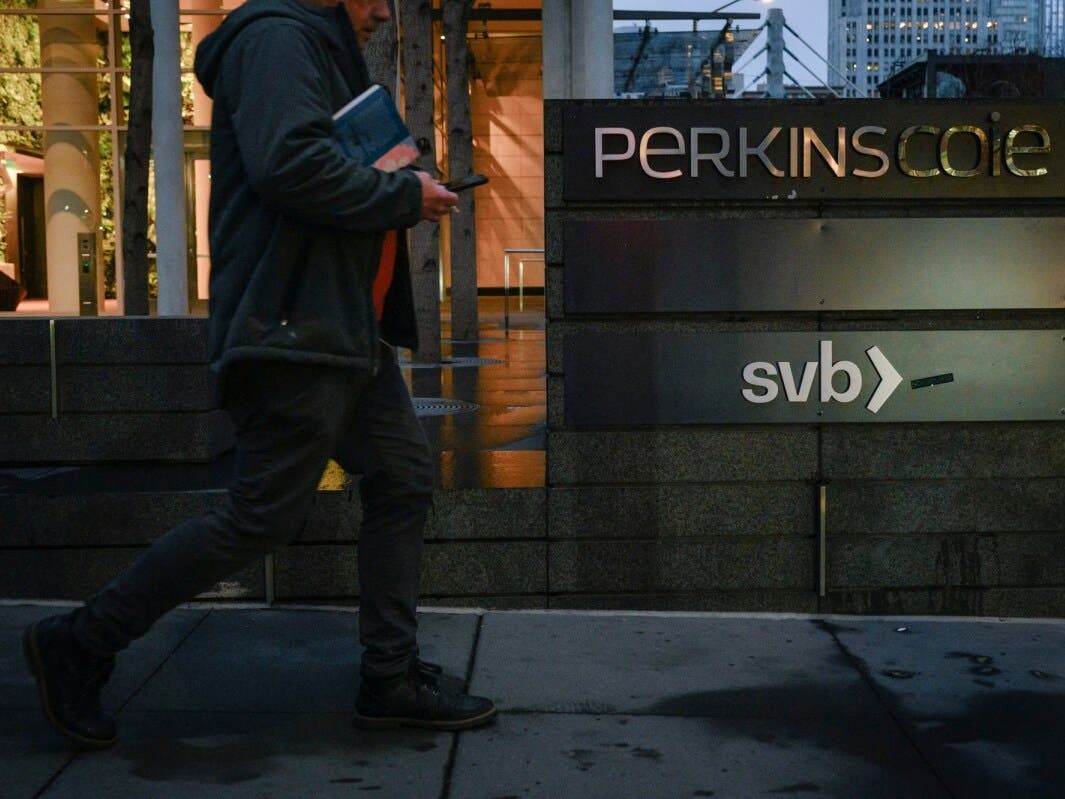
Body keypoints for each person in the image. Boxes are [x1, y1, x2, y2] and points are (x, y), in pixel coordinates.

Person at [23, 0, 497, 750]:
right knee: (260, 516)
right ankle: (79, 640)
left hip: (340, 328)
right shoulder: (279, 39)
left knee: (402, 479)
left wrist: (397, 175)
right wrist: (404, 197)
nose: (382, 12)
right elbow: (292, 166)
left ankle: (389, 675)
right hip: (293, 328)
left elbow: (324, 158)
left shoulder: (312, 47)